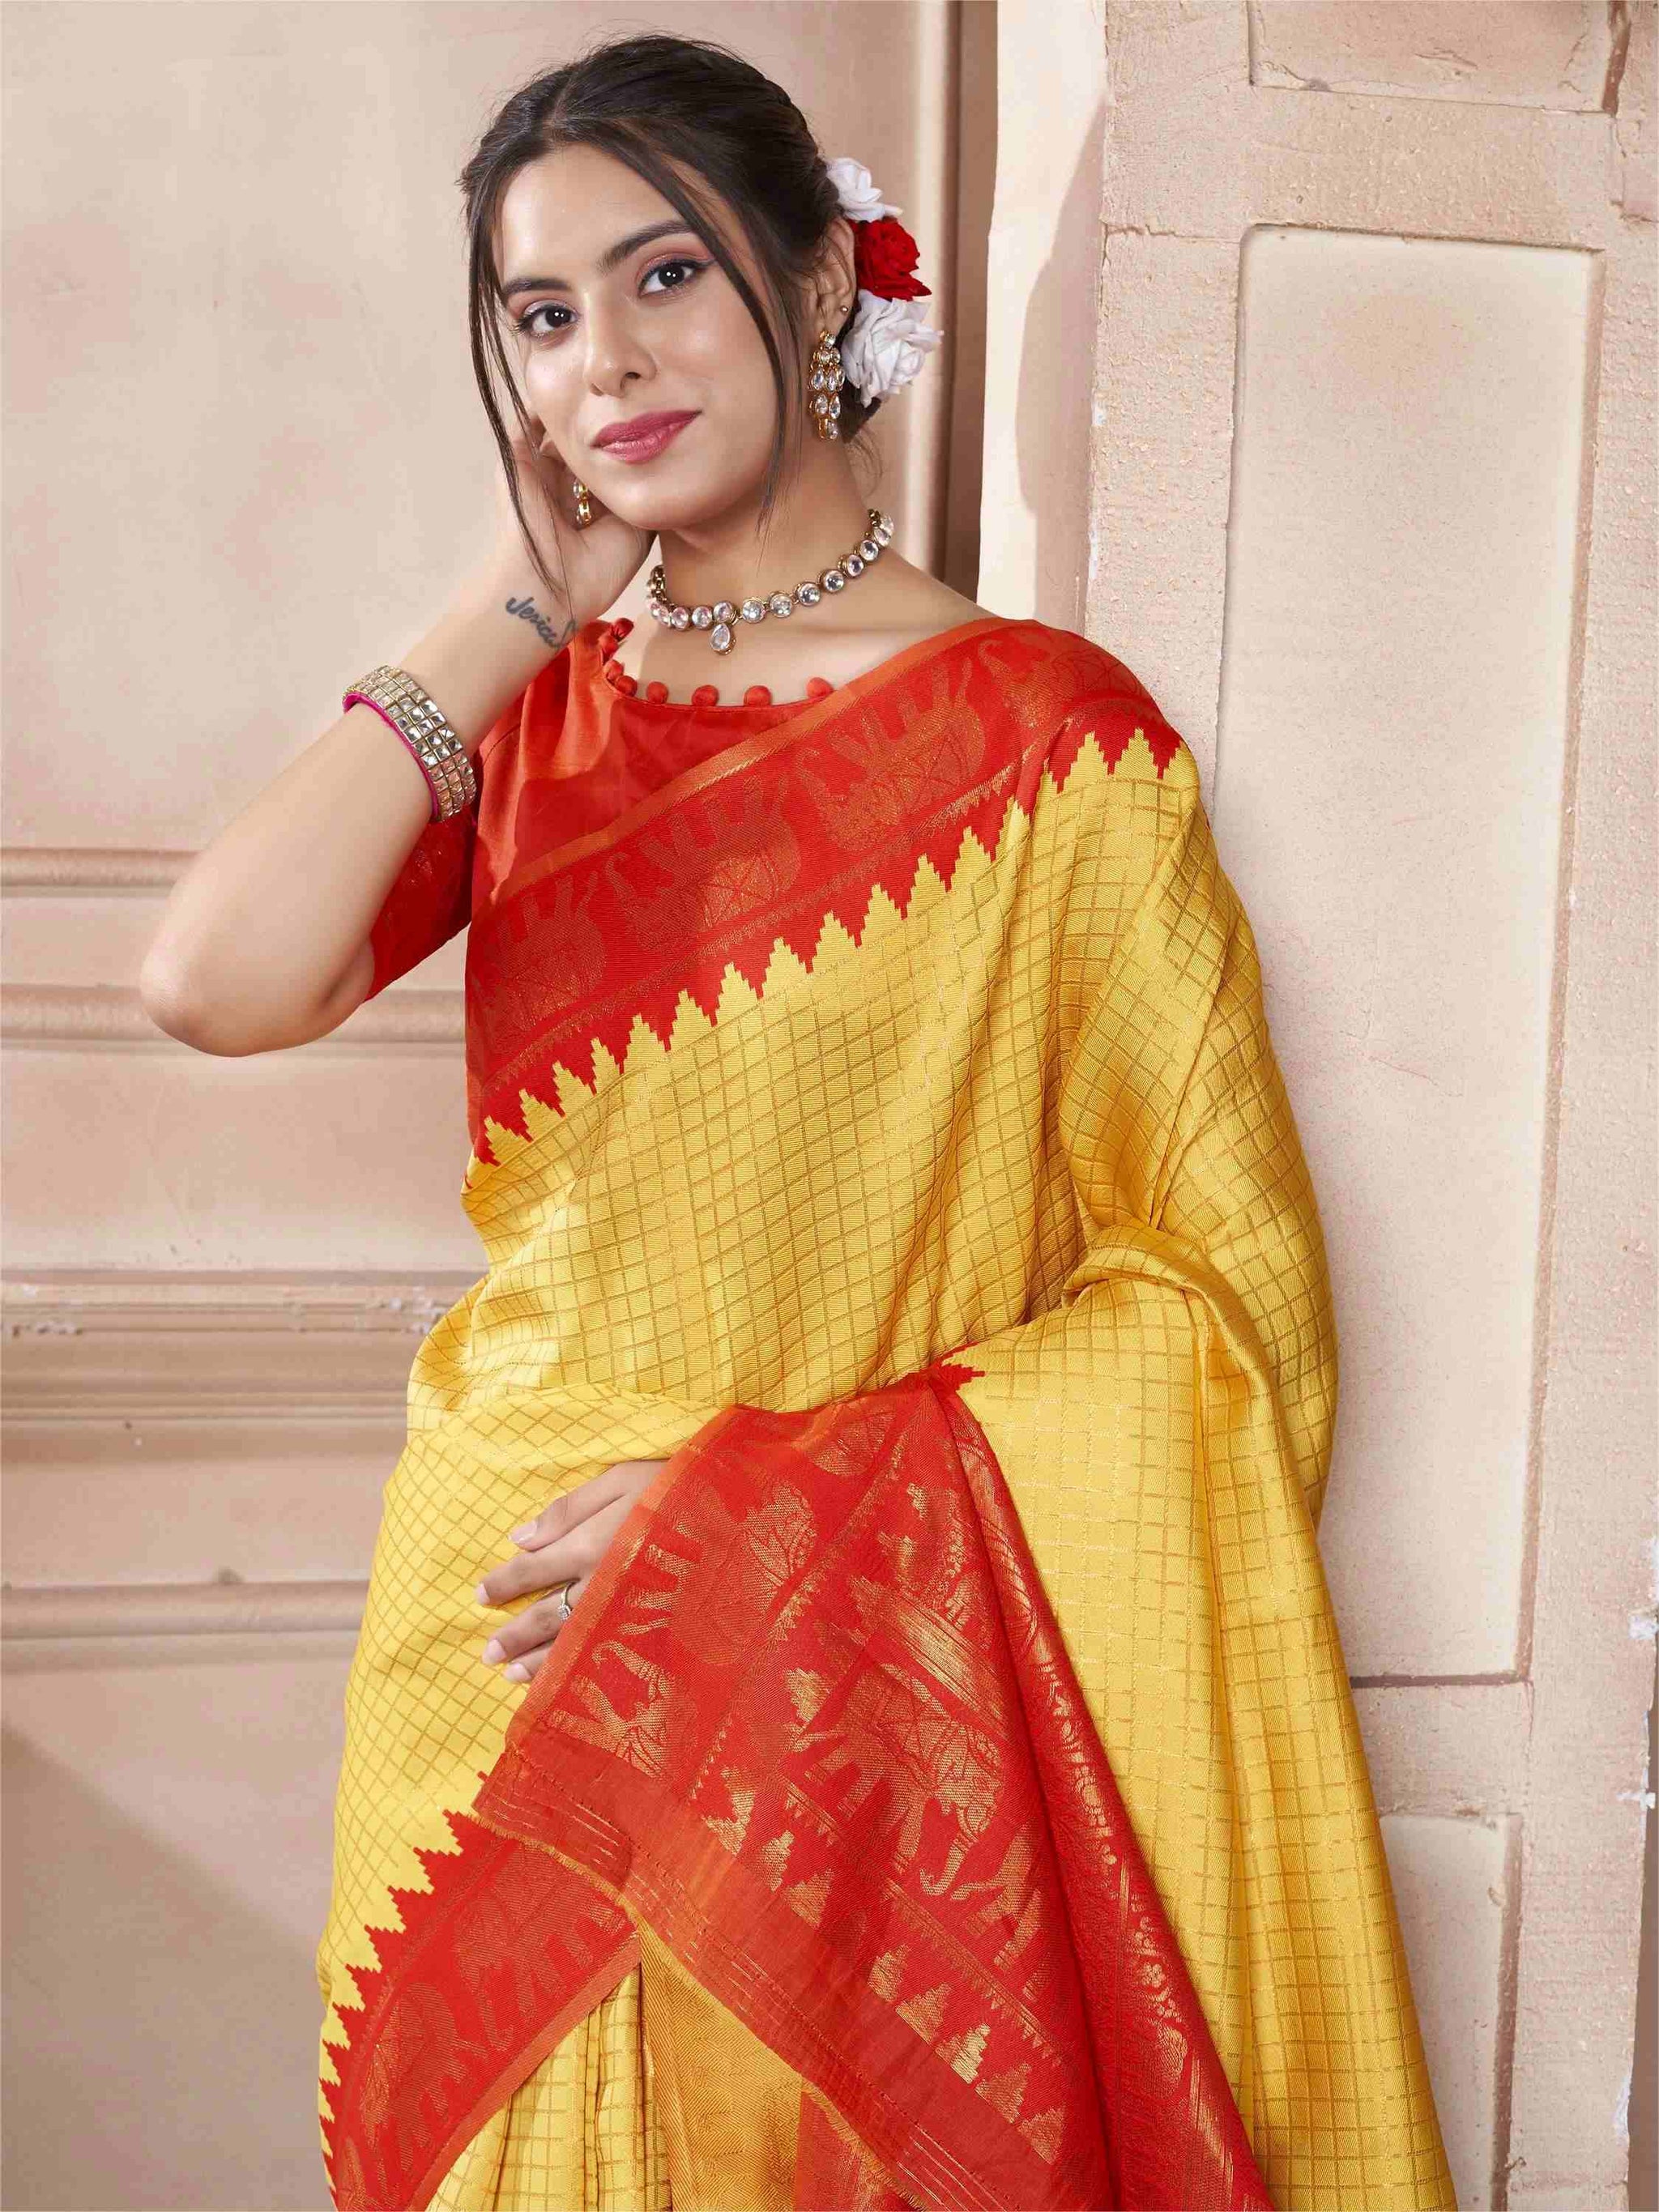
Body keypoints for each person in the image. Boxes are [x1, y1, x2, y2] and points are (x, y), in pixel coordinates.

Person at [140, 32, 1456, 2212]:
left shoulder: (1050, 746)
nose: (602, 360)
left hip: (825, 1689)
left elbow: (1224, 1306)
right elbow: (215, 979)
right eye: (540, 315)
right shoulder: (535, 727)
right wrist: (510, 610)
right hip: (503, 1654)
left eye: (663, 276)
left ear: (822, 278)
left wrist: (757, 1515)